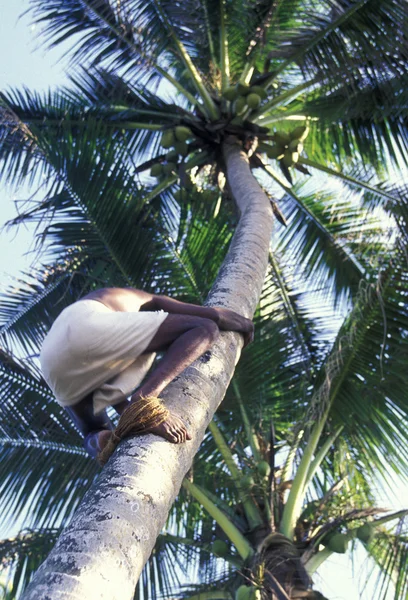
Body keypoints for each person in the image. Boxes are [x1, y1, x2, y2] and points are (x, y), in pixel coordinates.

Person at [40, 287, 254, 463]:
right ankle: (145, 398)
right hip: (86, 327)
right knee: (204, 329)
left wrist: (128, 416)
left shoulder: (106, 315)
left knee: (91, 431)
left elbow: (107, 383)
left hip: (51, 362)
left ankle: (100, 442)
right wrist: (240, 322)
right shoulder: (140, 298)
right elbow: (211, 315)